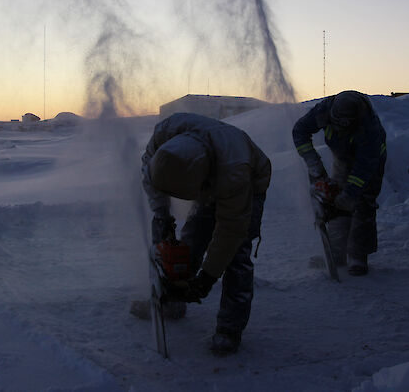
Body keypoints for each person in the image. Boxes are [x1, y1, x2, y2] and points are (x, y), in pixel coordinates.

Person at [138, 112, 271, 355]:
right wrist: (162, 216)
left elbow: (230, 230)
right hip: (214, 167)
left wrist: (207, 278)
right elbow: (150, 175)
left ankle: (229, 329)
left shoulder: (235, 171)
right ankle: (173, 303)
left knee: (236, 254)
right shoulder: (165, 134)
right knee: (192, 239)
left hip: (249, 182)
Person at [292, 90, 386, 276]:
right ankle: (336, 252)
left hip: (370, 162)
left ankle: (358, 256)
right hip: (342, 158)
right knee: (335, 201)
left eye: (344, 124)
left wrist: (350, 193)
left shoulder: (369, 128)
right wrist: (313, 163)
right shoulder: (324, 111)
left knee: (362, 203)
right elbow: (300, 131)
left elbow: (364, 167)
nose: (339, 126)